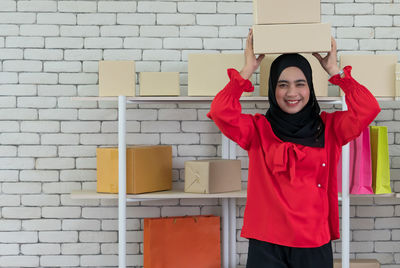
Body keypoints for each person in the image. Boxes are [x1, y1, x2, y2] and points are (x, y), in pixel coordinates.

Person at [207, 29, 381, 268]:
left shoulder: (330, 128)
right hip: (266, 244)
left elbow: (368, 108)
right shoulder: (257, 130)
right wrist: (247, 70)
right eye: (282, 84)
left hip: (313, 243)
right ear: (272, 89)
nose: (292, 93)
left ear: (309, 88)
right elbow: (220, 112)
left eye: (300, 84)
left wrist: (335, 71)